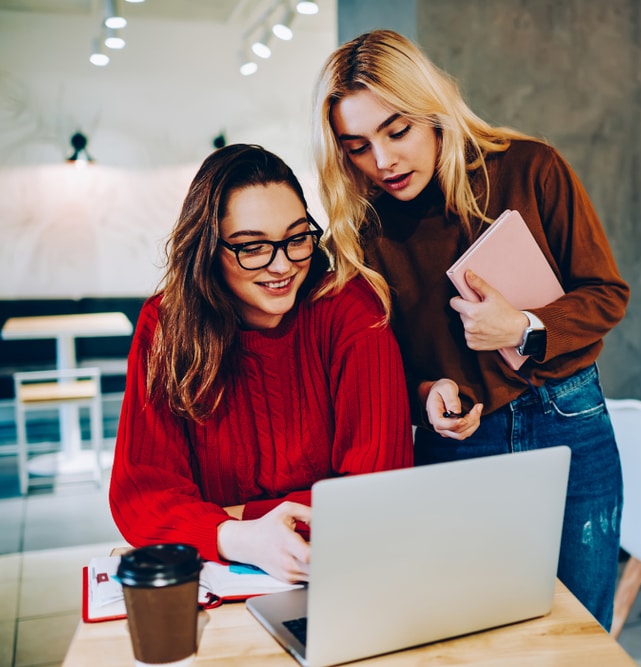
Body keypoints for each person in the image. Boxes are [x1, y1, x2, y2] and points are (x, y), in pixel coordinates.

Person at [312, 30, 630, 629]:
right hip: (457, 447)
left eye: (396, 130)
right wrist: (426, 393)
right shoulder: (359, 233)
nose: (382, 161)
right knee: (471, 636)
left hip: (570, 425)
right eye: (356, 146)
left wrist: (524, 325)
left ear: (433, 111)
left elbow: (607, 294)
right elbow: (382, 364)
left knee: (583, 636)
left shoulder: (531, 167)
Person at [109, 144, 413, 582]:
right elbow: (141, 498)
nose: (283, 264)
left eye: (296, 238)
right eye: (252, 247)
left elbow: (374, 497)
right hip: (218, 576)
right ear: (209, 248)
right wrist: (241, 537)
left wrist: (227, 515)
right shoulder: (165, 325)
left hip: (342, 571)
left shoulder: (349, 310)